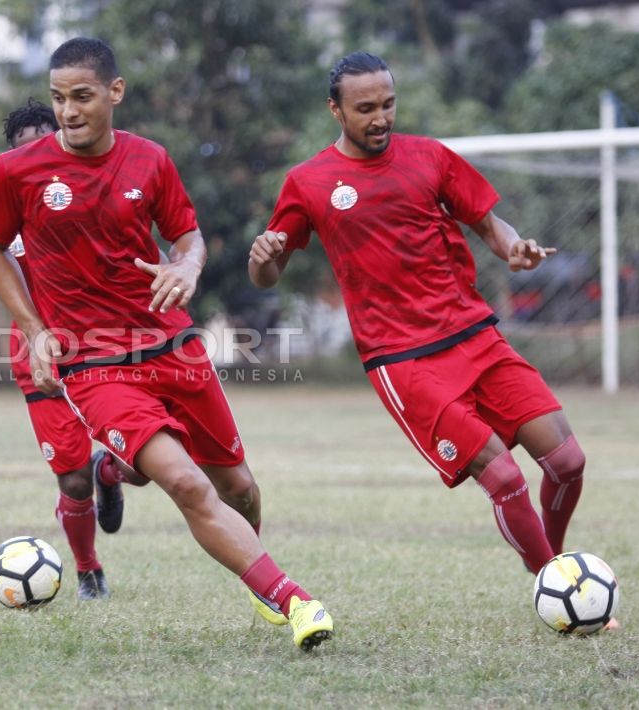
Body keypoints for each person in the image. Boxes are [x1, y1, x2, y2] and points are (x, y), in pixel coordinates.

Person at [0, 37, 333, 651]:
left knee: (240, 489)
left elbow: (187, 237)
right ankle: (293, 599)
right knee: (187, 484)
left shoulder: (150, 161)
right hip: (95, 368)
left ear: (115, 93)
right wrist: (35, 331)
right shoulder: (16, 172)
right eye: (59, 98)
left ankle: (255, 571)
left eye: (82, 97)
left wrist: (186, 268)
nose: (67, 111)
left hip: (174, 350)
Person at [249, 52, 600, 604]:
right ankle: (558, 586)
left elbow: (488, 222)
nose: (381, 118)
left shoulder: (431, 156)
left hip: (475, 335)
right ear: (335, 110)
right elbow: (267, 276)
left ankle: (555, 573)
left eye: (388, 104)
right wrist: (263, 253)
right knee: (504, 477)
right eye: (365, 108)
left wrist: (514, 248)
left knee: (567, 461)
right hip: (402, 360)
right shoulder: (309, 181)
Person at [0, 99, 129, 601]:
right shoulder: (2, 220)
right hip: (40, 363)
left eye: (47, 143)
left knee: (146, 462)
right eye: (26, 150)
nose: (39, 157)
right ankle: (88, 571)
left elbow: (141, 250)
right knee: (74, 481)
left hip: (107, 347)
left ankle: (112, 468)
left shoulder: (89, 199)